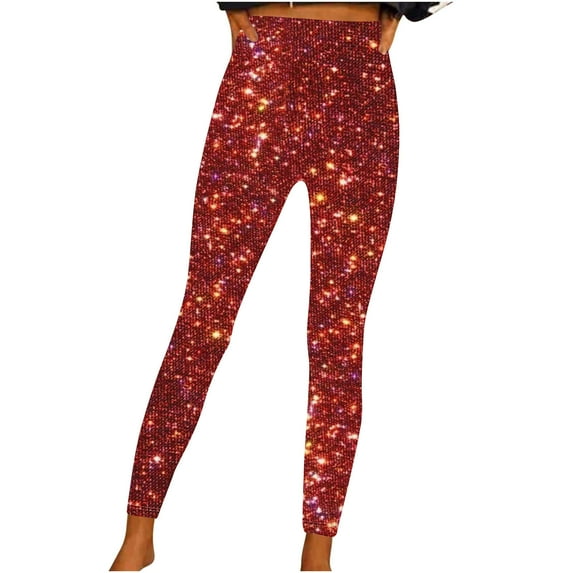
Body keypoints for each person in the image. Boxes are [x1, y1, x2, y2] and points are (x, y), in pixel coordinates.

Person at [110, 2, 451, 571]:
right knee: (205, 315)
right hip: (265, 61)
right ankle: (138, 532)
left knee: (338, 332)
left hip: (360, 74)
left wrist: (406, 3)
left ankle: (319, 549)